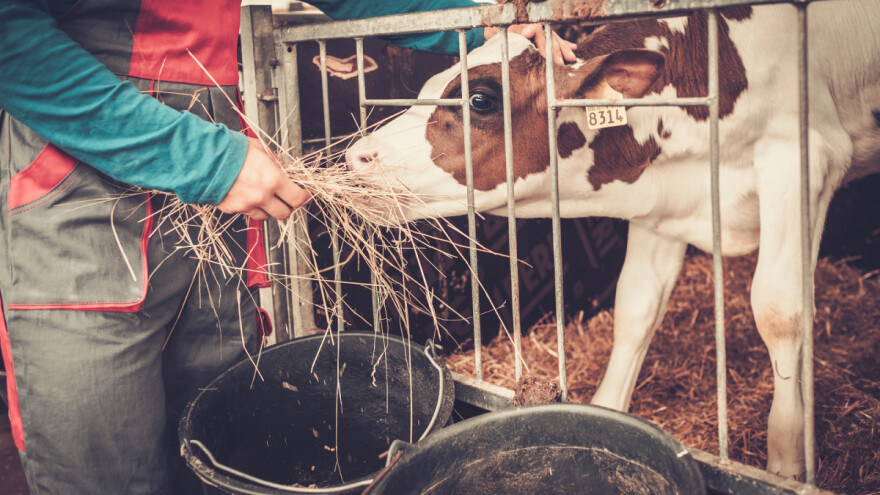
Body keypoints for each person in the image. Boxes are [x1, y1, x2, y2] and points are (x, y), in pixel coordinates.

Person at [0, 1, 575, 493]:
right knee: (104, 463)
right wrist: (203, 159)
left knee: (226, 446)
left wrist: (476, 26)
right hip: (84, 211)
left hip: (214, 221)